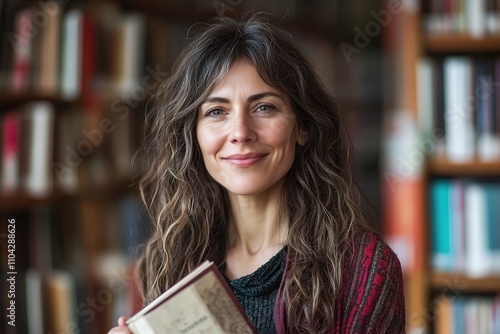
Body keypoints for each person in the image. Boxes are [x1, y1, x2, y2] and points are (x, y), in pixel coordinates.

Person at [109, 15, 405, 334]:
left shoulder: (365, 269)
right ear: (193, 136)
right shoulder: (168, 261)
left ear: (302, 127)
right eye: (216, 112)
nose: (240, 132)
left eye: (264, 107)